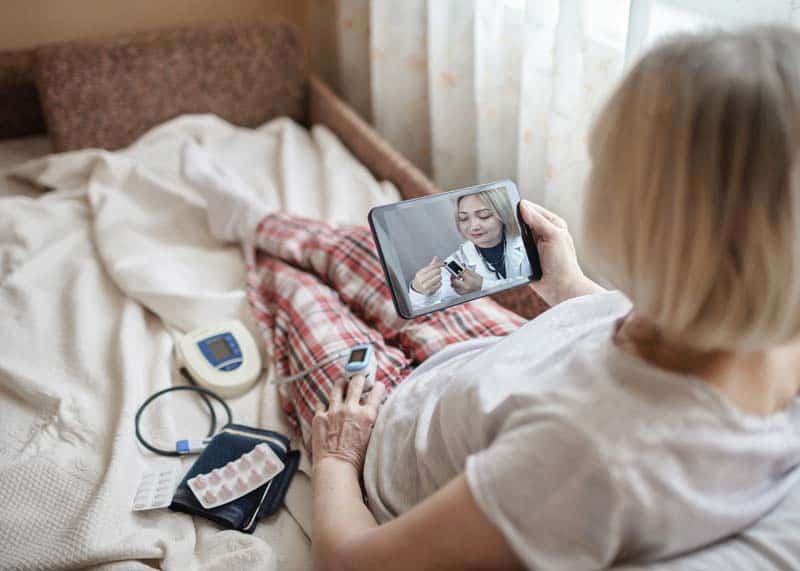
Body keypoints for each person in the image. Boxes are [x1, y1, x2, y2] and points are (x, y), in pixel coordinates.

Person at [183, 25, 800, 571]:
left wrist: (337, 454)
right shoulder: (760, 337)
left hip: (380, 440)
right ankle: (259, 220)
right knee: (365, 253)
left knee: (296, 292)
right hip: (492, 370)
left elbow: (352, 563)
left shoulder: (583, 460)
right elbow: (638, 349)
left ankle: (255, 241)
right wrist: (571, 291)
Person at [408, 187, 532, 309]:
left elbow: (532, 291)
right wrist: (418, 292)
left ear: (503, 214)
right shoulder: (454, 264)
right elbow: (430, 311)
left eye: (484, 215)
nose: (473, 227)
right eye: (463, 218)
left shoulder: (527, 244)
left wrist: (482, 286)